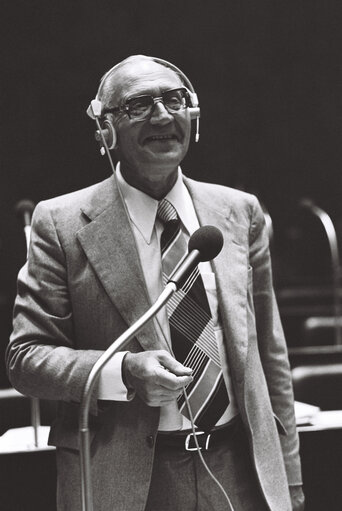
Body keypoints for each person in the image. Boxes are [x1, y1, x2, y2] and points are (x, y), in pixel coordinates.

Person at [6, 55, 304, 511]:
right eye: (138, 105)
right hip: (125, 481)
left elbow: (270, 357)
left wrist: (292, 485)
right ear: (106, 132)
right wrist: (122, 372)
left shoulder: (240, 211)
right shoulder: (60, 224)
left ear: (194, 118)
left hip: (241, 470)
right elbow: (27, 360)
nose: (162, 115)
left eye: (175, 100)